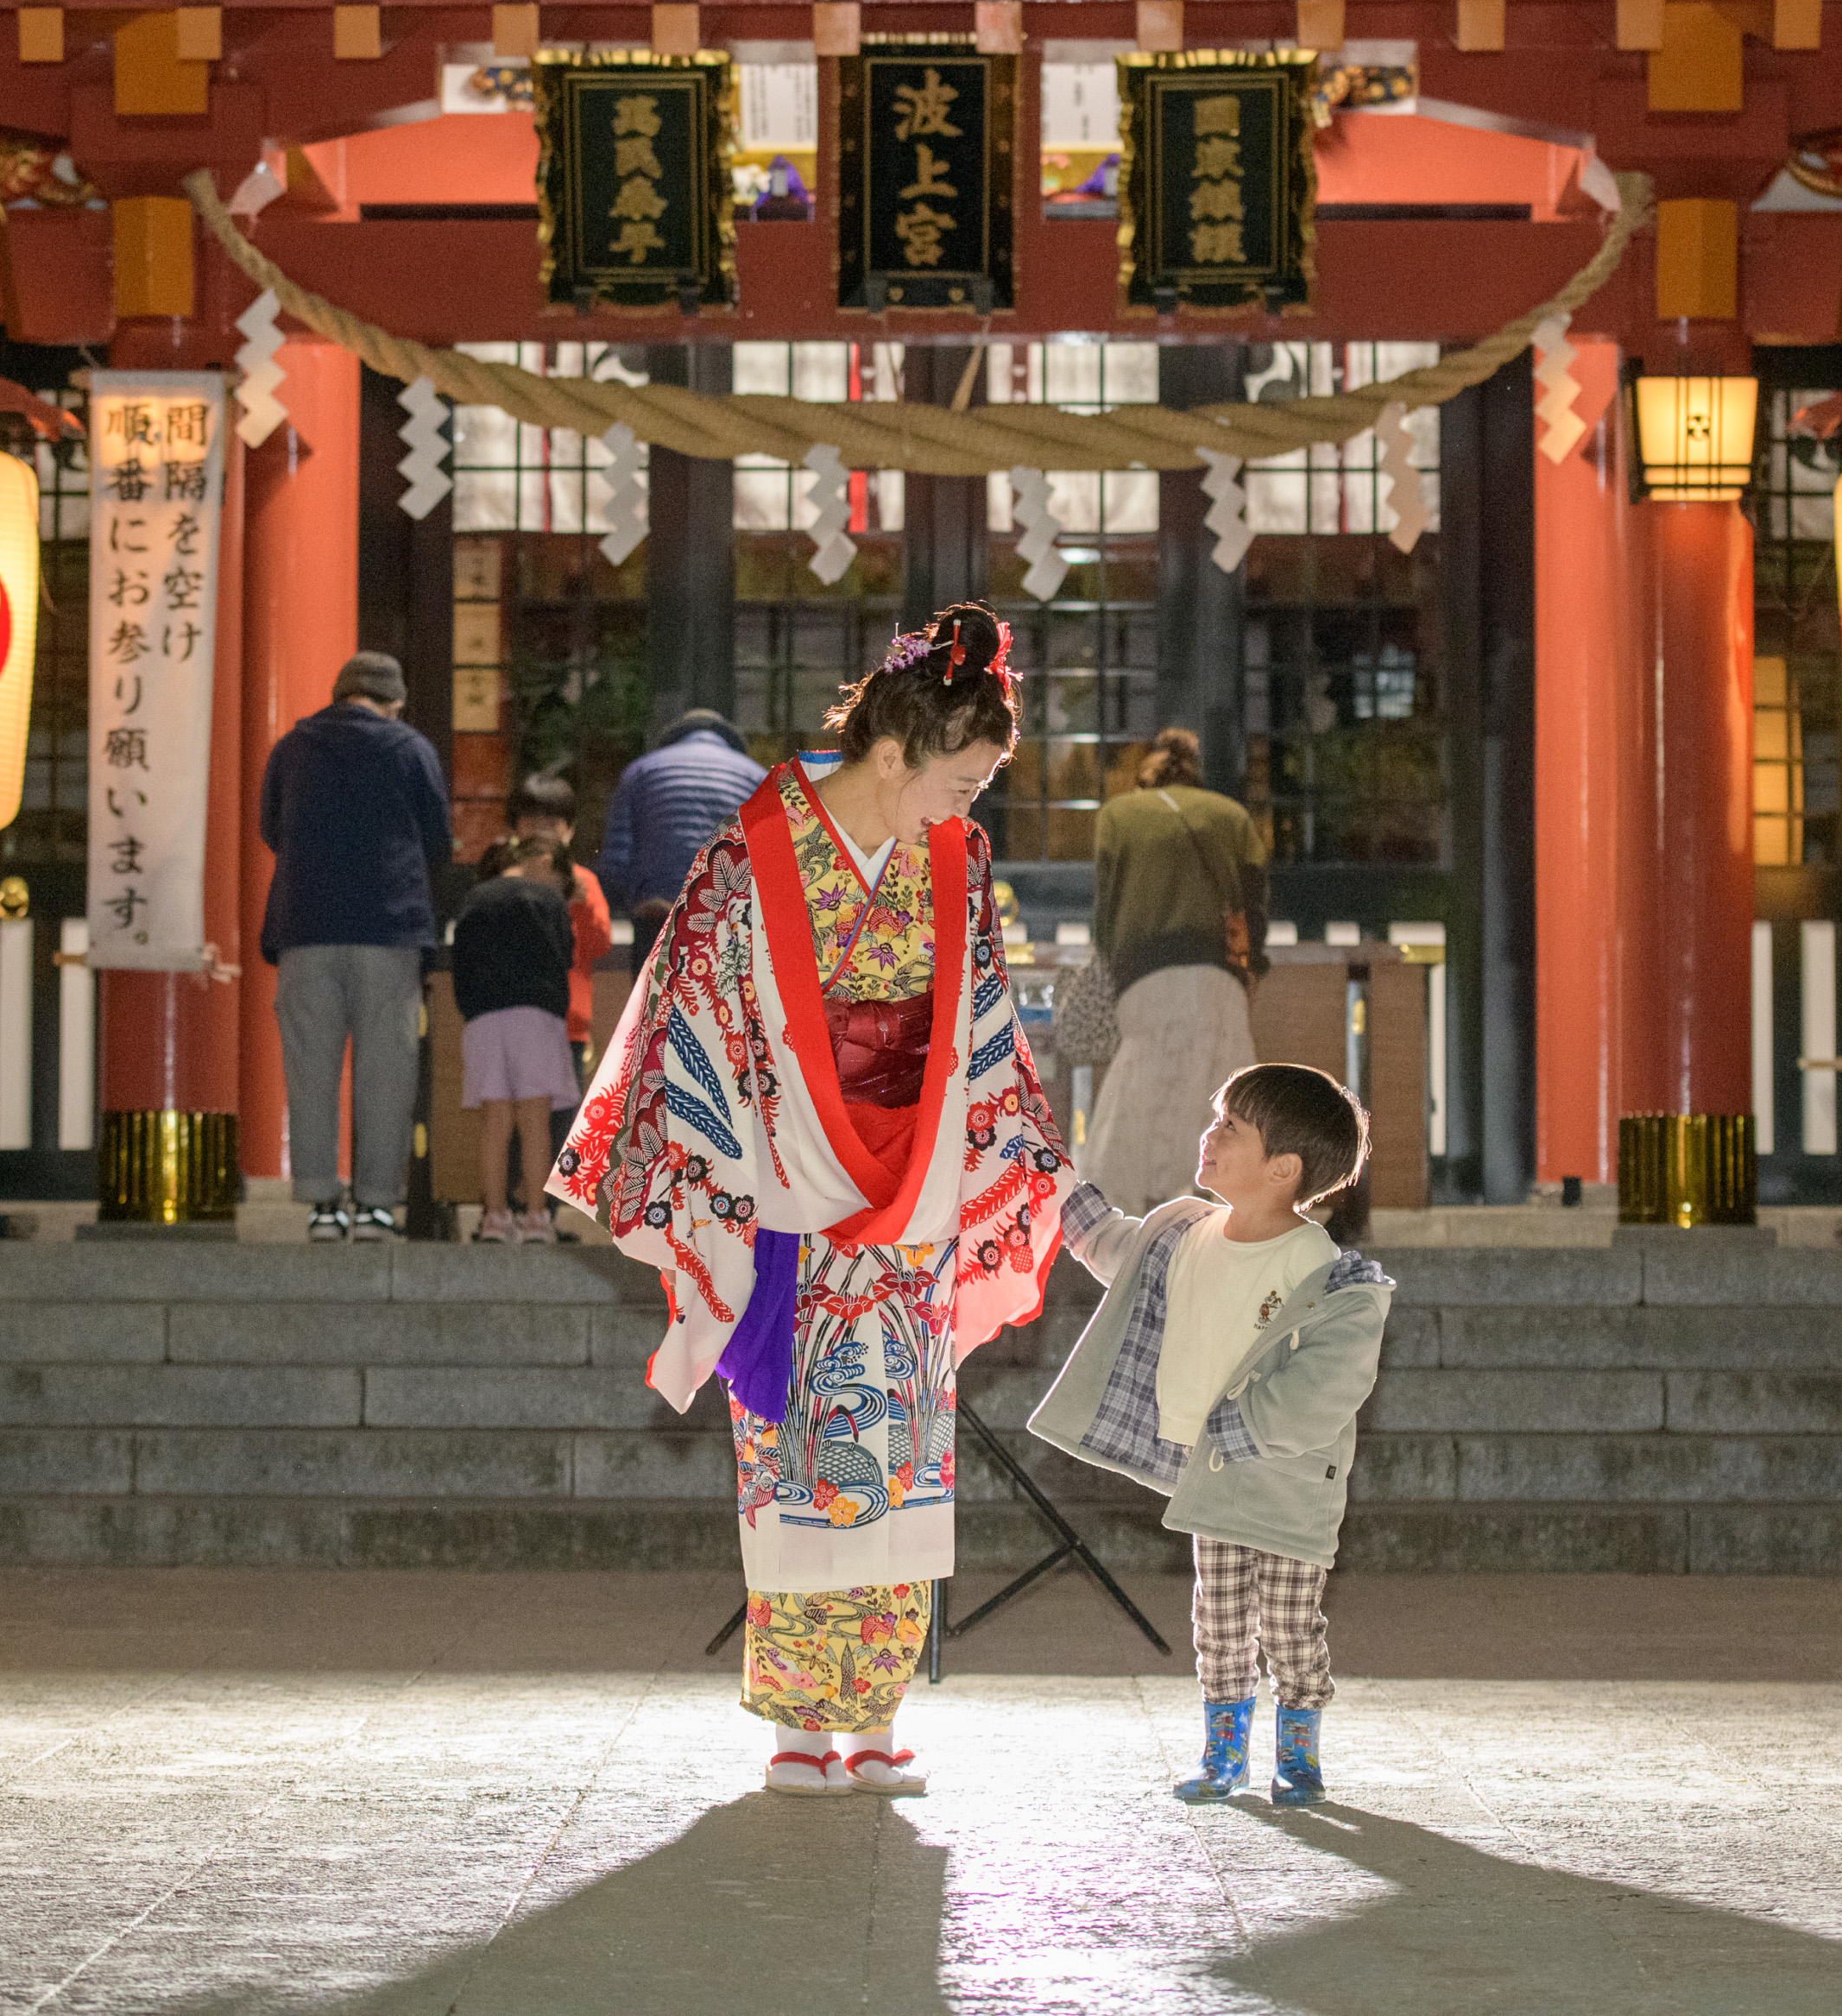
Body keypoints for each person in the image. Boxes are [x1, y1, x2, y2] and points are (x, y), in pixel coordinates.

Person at [552, 604, 1074, 1798]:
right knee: (794, 1447)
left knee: (902, 1444)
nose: (967, 803)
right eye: (960, 776)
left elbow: (983, 1022)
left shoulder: (958, 860)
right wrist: (749, 1156)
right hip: (782, 1178)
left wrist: (1030, 1158)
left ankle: (879, 1705)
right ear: (894, 752)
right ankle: (798, 1716)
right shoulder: (750, 851)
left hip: (922, 1186)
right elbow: (694, 1011)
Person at [1027, 1063, 1388, 1811]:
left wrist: (1244, 1423)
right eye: (1216, 1116)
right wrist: (1052, 1180)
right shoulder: (1183, 1231)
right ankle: (1224, 1751)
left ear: (1282, 1169)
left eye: (1231, 1126)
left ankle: (1298, 1747)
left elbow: (1332, 1376)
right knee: (1219, 1619)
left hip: (1286, 1481)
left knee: (1290, 1623)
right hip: (1212, 1473)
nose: (1209, 1133)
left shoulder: (1321, 1270)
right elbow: (1110, 1245)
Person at [261, 651, 448, 1242]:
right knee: (386, 1071)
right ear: (393, 701)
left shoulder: (292, 749)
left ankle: (321, 1203)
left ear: (340, 694)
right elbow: (437, 838)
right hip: (388, 931)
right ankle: (373, 1206)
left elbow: (272, 828)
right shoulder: (410, 749)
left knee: (311, 1067)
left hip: (306, 928)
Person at [1083, 727, 1271, 1212]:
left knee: (1141, 1082)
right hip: (1217, 974)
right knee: (1222, 1090)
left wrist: (1111, 960)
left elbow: (1105, 910)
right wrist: (1253, 964)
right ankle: (1220, 1203)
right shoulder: (1231, 817)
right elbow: (1254, 902)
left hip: (1145, 974)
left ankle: (1129, 1210)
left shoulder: (1118, 816)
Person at [451, 835, 579, 1245]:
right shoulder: (547, 900)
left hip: (484, 1019)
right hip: (535, 1016)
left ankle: (493, 1218)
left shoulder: (474, 899)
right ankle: (536, 1219)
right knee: (535, 1122)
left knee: (496, 1121)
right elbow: (565, 955)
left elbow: (461, 961)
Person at [595, 707, 762, 971]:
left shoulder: (641, 771)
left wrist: (632, 903)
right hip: (723, 917)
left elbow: (617, 856)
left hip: (655, 912)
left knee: (651, 1006)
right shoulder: (755, 777)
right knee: (716, 1007)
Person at [511, 769, 615, 1088]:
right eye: (531, 822)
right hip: (511, 1020)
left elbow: (600, 945)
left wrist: (580, 905)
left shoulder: (583, 881)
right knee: (516, 1127)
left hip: (568, 1026)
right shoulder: (506, 881)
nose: (541, 831)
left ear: (569, 830)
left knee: (563, 1127)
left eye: (551, 823)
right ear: (514, 827)